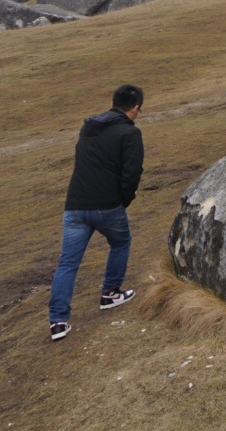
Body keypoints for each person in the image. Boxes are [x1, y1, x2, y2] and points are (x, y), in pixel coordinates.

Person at [48, 84, 144, 342]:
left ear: (114, 103)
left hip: (75, 206)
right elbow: (131, 173)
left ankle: (58, 321)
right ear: (135, 108)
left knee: (68, 262)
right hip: (107, 205)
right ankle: (110, 292)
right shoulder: (129, 133)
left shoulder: (87, 127)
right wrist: (124, 200)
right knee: (121, 242)